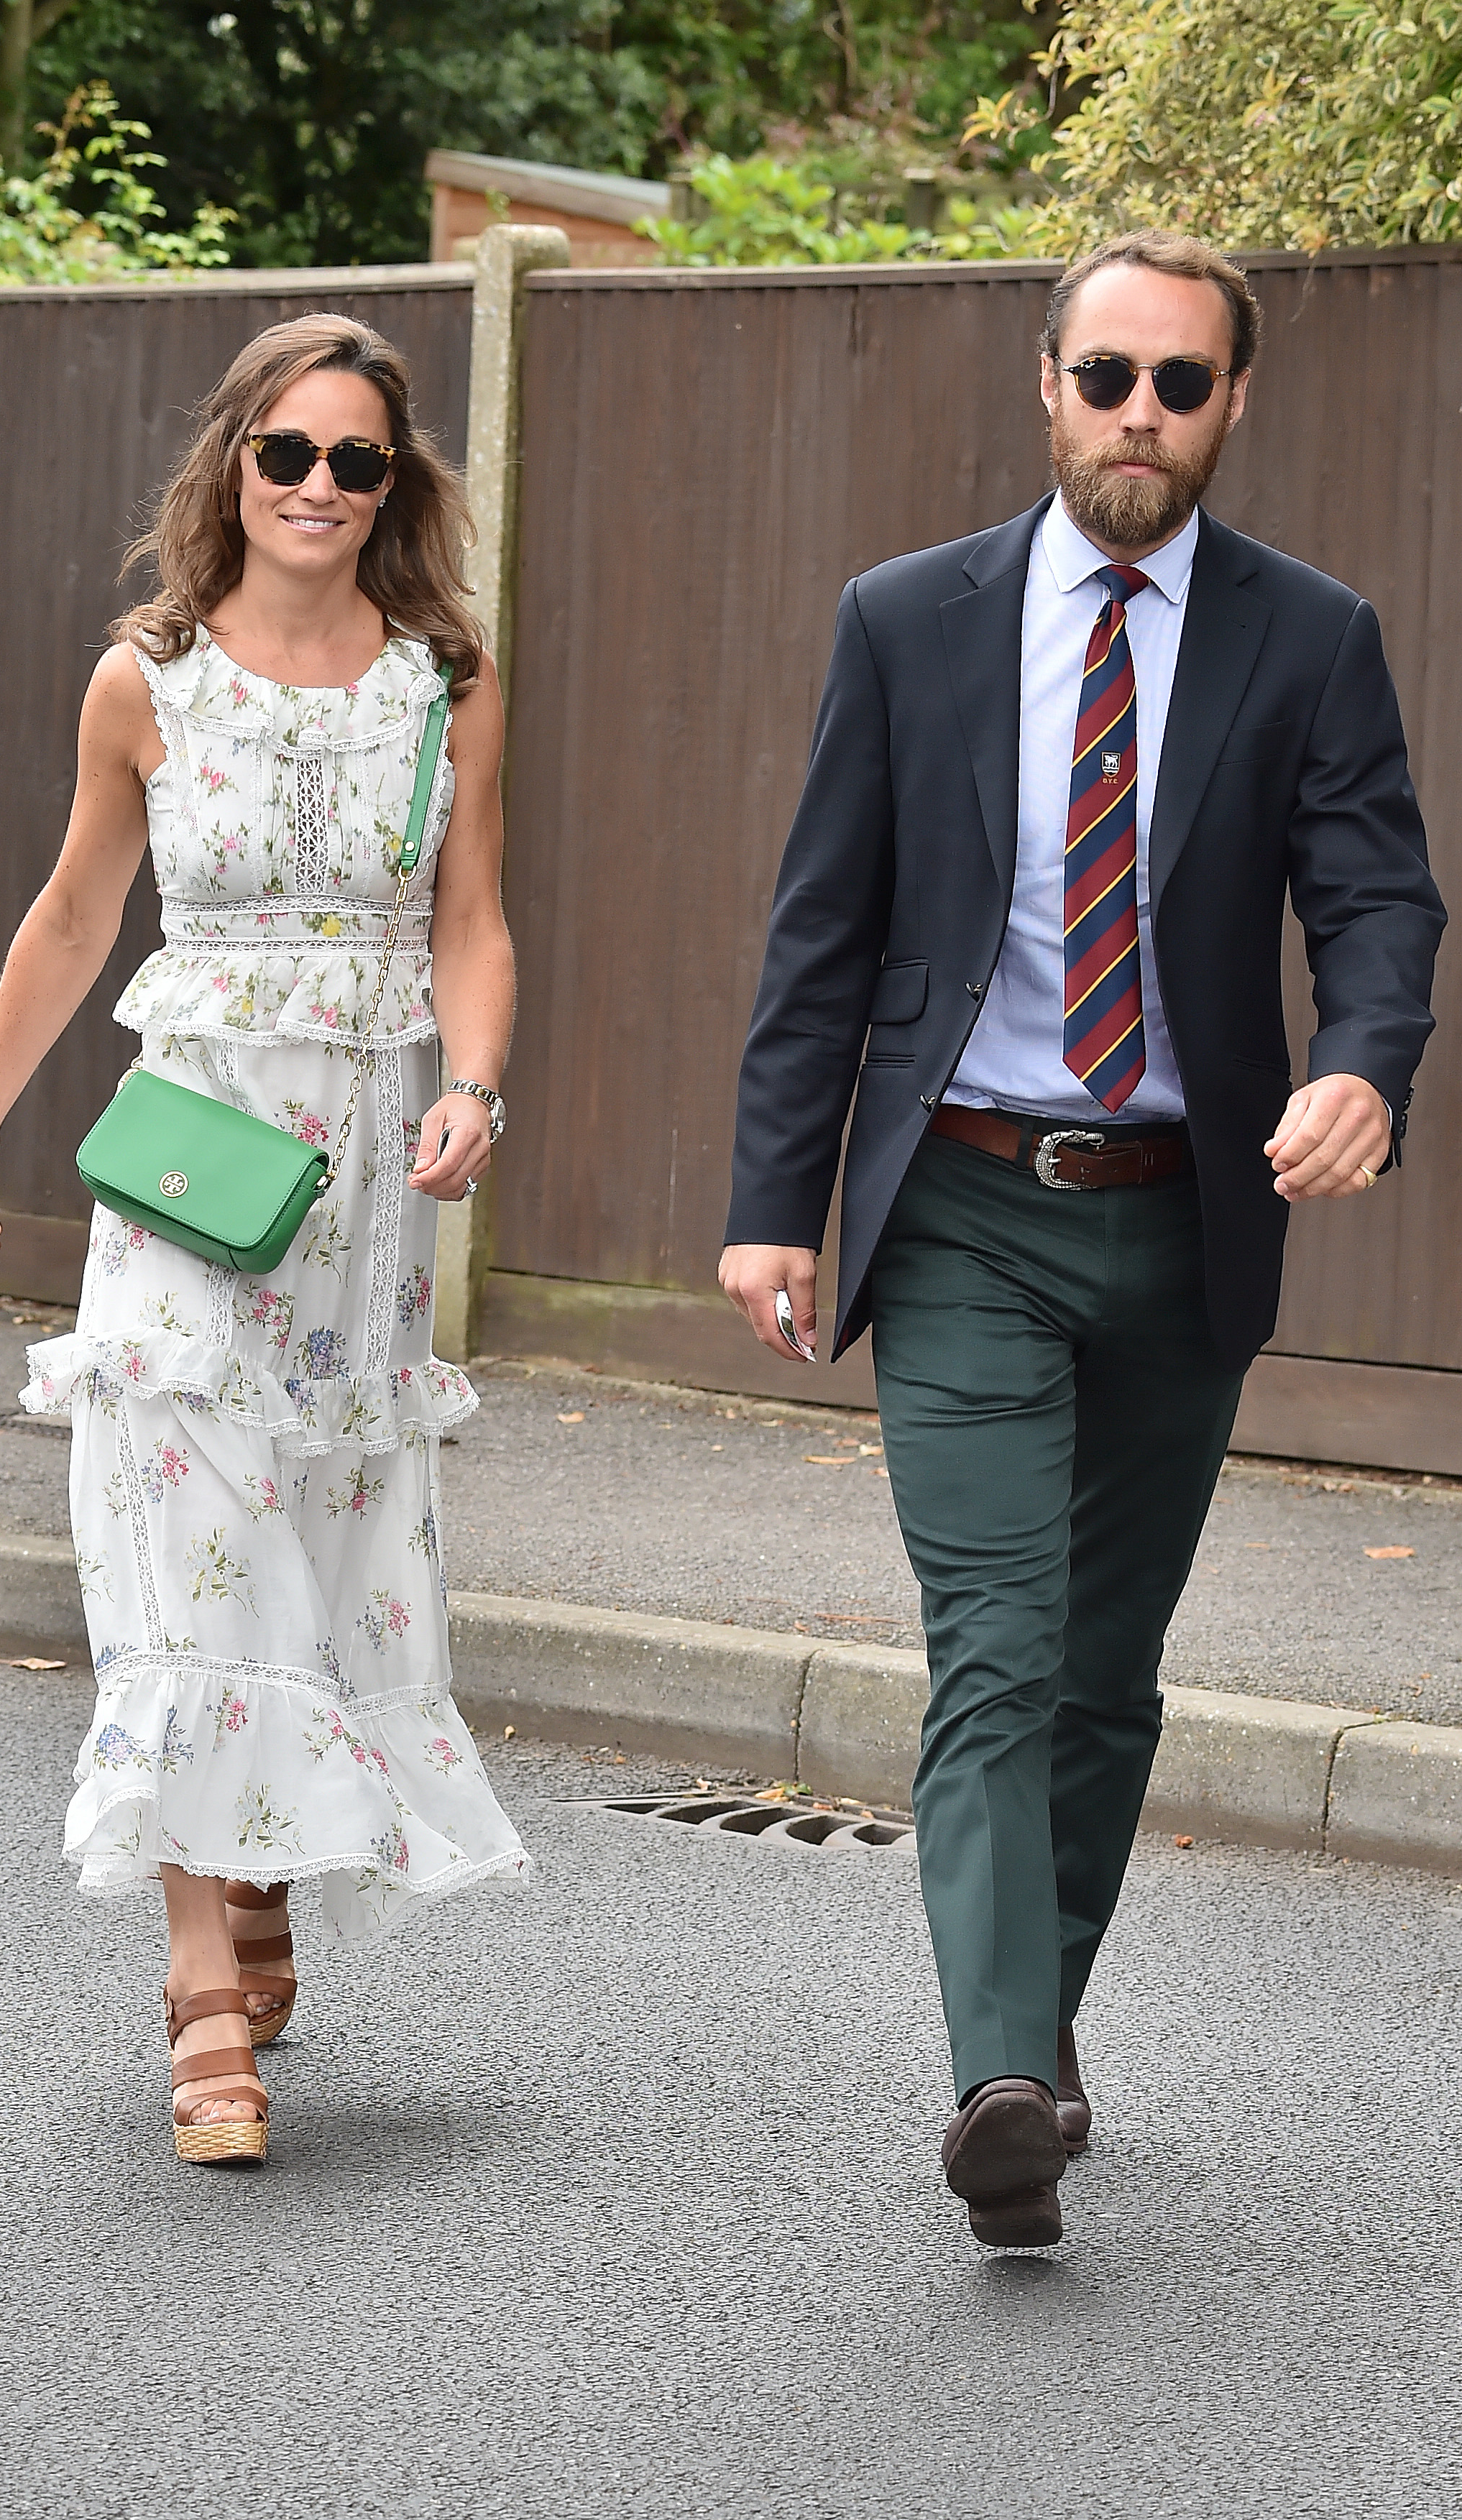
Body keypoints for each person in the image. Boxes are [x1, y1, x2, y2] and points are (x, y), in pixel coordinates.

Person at [719, 232, 1443, 2248]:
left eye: (1179, 383)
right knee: (999, 1649)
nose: (1140, 414)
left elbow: (1377, 899)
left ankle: (1036, 2028)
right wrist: (773, 1204)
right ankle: (999, 2082)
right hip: (961, 1205)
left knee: (1107, 1677)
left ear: (1231, 404)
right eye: (1106, 374)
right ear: (1046, 384)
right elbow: (822, 926)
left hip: (1182, 1223)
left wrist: (1364, 1064)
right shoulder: (910, 619)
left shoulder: (1309, 635)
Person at [0, 313, 527, 2165]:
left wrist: (474, 1084)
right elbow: (73, 910)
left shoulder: (444, 683)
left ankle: (258, 1862)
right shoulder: (148, 683)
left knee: (313, 1526)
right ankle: (204, 1997)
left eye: (357, 462)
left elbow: (475, 920)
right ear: (235, 467)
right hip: (190, 1165)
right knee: (185, 1530)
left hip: (364, 1180)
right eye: (289, 454)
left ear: (394, 487)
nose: (319, 488)